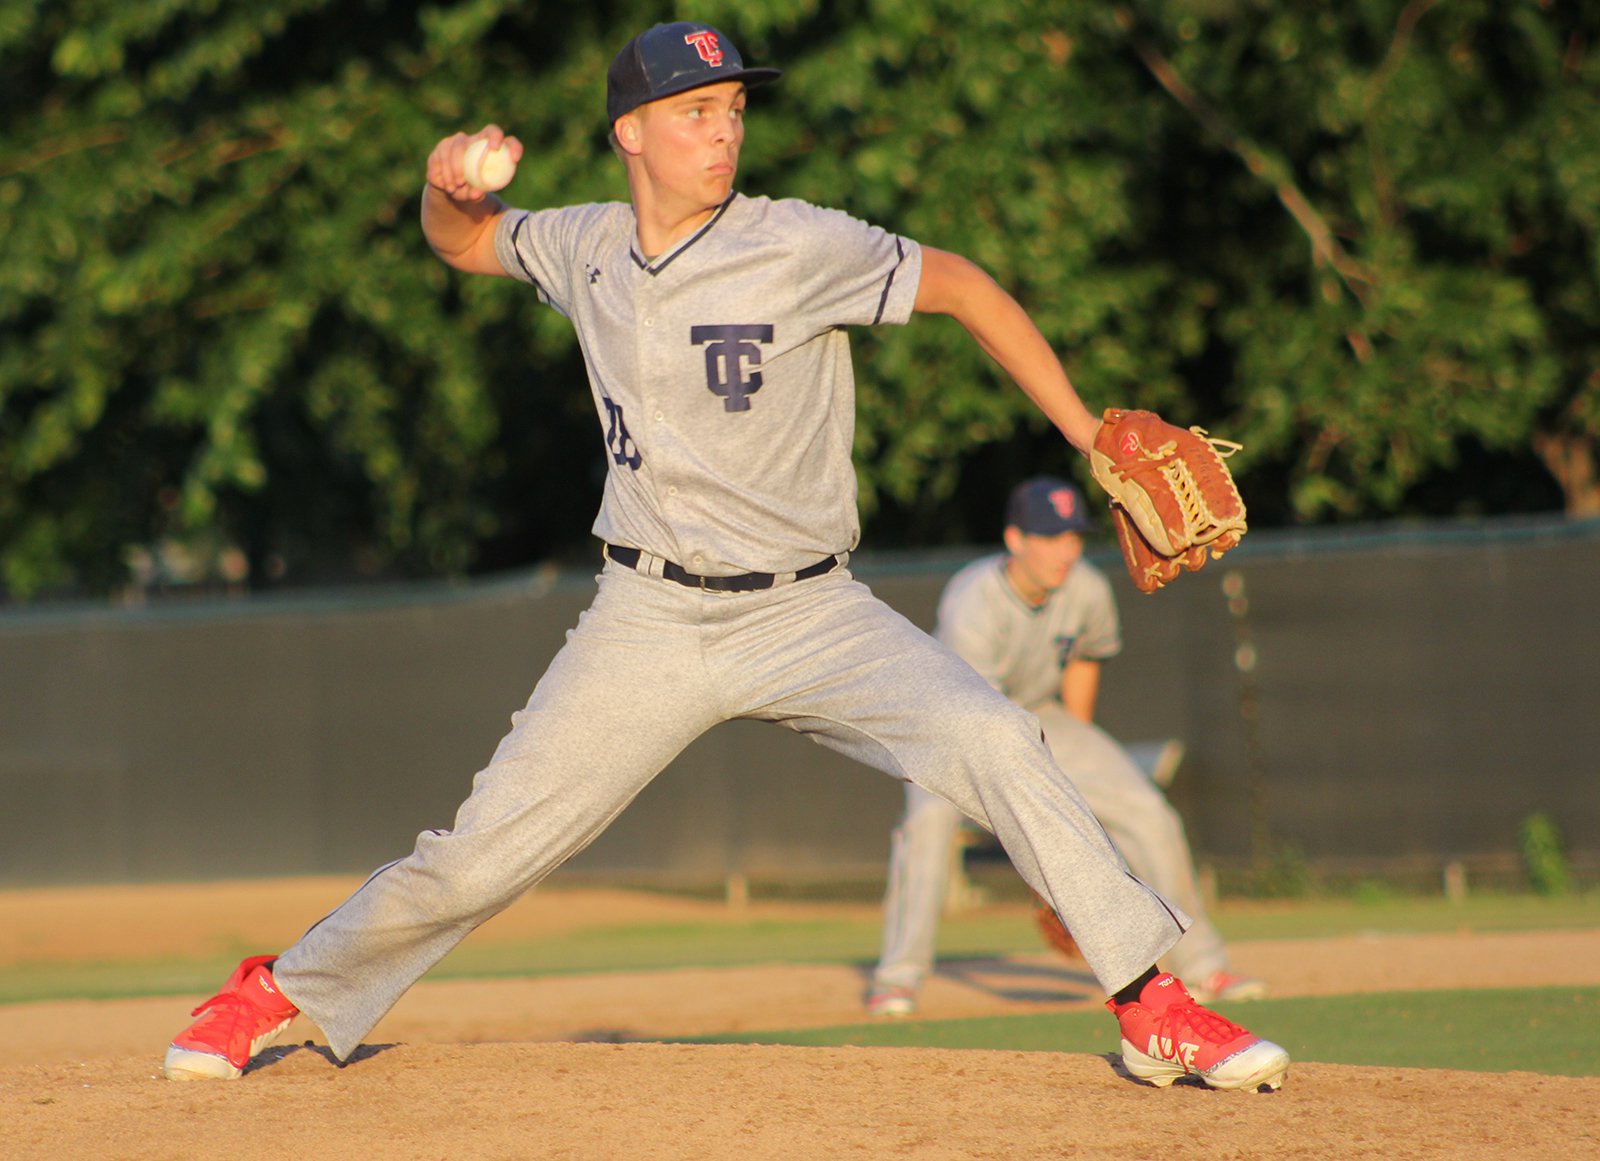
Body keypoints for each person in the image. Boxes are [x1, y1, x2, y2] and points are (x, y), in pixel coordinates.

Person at [162, 22, 1289, 1092]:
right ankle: (277, 988)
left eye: (734, 106)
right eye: (695, 109)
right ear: (630, 132)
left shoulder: (799, 242)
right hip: (645, 621)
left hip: (812, 617)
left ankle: (1152, 1005)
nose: (723, 130)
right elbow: (461, 242)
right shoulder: (584, 244)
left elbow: (962, 287)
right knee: (478, 858)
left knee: (996, 736)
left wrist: (1087, 430)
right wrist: (444, 184)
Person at [867, 476, 1267, 1018]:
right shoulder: (974, 599)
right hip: (952, 725)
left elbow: (1083, 662)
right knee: (927, 825)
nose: (1065, 550)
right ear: (1015, 539)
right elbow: (982, 727)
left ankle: (1204, 963)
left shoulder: (1086, 589)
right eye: (1050, 537)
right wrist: (1044, 856)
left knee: (1150, 814)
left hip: (1044, 718)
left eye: (1072, 537)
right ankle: (898, 977)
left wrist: (1071, 784)